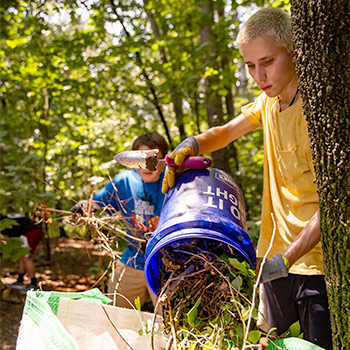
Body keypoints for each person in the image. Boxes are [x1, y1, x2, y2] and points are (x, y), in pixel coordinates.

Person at [161, 8, 332, 350]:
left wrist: (288, 258)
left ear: (295, 52)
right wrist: (189, 145)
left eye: (267, 62)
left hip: (316, 268)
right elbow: (224, 133)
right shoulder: (268, 104)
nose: (258, 75)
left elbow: (331, 205)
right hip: (275, 261)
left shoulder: (319, 115)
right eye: (250, 65)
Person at [71, 131, 168, 309]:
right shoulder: (124, 181)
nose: (146, 166)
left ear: (163, 160)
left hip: (166, 265)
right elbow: (98, 202)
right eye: (140, 160)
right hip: (133, 261)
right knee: (116, 314)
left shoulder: (172, 181)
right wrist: (84, 206)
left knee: (168, 323)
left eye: (152, 159)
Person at [1, 213, 44, 292]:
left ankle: (34, 284)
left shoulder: (4, 222)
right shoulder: (8, 217)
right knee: (21, 256)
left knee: (26, 257)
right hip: (32, 232)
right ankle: (20, 281)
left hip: (29, 233)